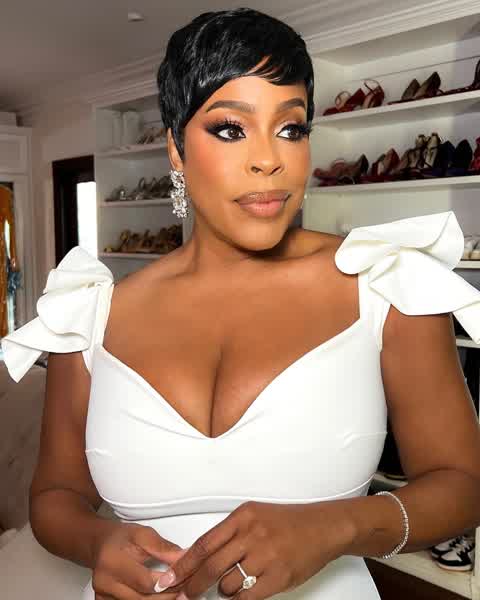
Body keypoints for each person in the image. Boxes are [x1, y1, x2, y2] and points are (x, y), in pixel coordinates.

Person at [3, 7, 480, 600]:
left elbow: (464, 485)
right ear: (176, 149)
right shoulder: (89, 317)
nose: (269, 159)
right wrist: (97, 542)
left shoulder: (387, 284)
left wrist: (336, 526)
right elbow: (55, 497)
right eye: (231, 128)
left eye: (291, 128)